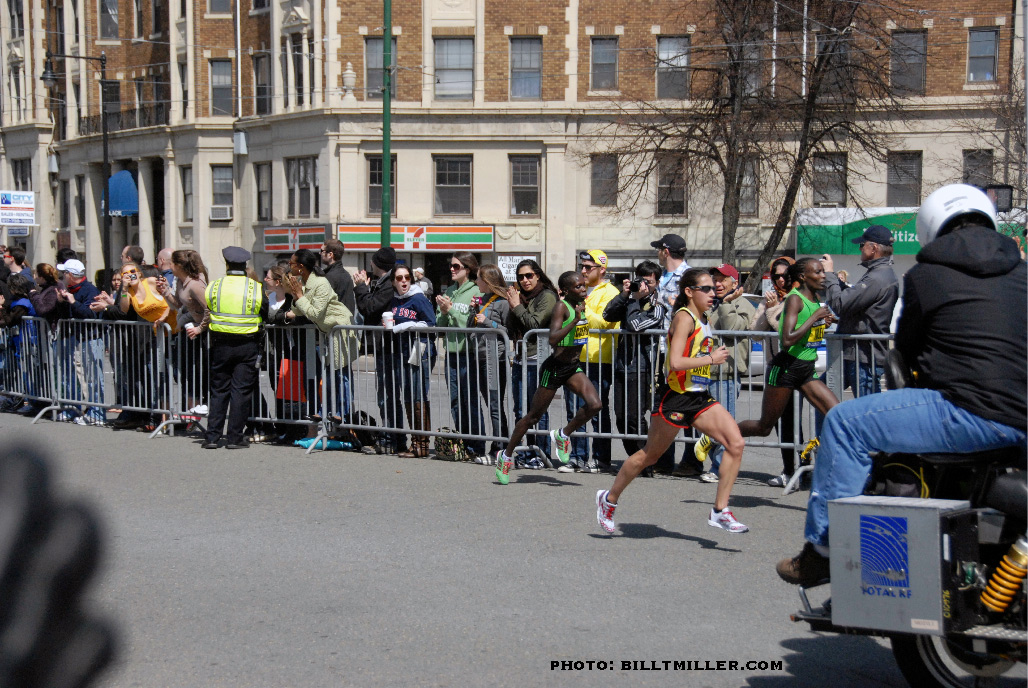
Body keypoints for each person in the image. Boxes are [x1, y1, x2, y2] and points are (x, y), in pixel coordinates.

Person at [777, 184, 1027, 586]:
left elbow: (907, 351)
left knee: (844, 422)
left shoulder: (927, 275)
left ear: (931, 227)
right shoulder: (1022, 271)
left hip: (970, 411)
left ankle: (823, 550)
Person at [595, 268, 749, 534]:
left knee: (736, 443)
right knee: (649, 455)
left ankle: (720, 510)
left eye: (713, 288)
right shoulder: (684, 318)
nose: (712, 293)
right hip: (675, 398)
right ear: (689, 292)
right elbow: (675, 362)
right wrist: (710, 359)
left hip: (699, 396)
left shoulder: (702, 318)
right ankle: (608, 500)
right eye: (706, 289)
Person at [494, 271, 603, 485]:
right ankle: (505, 456)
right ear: (565, 290)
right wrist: (574, 322)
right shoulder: (562, 307)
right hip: (554, 368)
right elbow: (553, 339)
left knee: (595, 404)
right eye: (578, 286)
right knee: (533, 416)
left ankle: (563, 434)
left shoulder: (580, 306)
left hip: (572, 367)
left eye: (584, 285)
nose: (583, 289)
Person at [736, 258, 839, 449]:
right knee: (764, 427)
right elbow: (787, 339)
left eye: (823, 271)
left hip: (806, 369)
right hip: (785, 369)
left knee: (837, 414)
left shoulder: (815, 299)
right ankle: (719, 435)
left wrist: (822, 323)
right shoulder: (794, 299)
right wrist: (815, 318)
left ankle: (819, 457)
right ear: (803, 276)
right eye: (817, 272)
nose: (823, 275)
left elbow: (807, 331)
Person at [192, 247, 268, 449]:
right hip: (247, 344)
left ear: (227, 264)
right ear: (244, 265)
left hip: (220, 344)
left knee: (218, 391)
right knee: (241, 392)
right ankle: (234, 438)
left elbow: (209, 307)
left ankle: (212, 437)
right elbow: (265, 310)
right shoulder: (255, 287)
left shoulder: (214, 286)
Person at [748, 257, 811, 486]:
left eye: (786, 275)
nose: (781, 280)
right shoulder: (773, 299)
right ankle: (789, 469)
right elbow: (755, 332)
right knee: (777, 422)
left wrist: (774, 308)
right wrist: (767, 307)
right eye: (776, 276)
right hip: (775, 367)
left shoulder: (798, 299)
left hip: (794, 367)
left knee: (793, 422)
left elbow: (786, 331)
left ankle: (803, 468)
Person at [820, 225, 900, 399]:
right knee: (821, 397)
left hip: (863, 357)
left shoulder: (877, 277)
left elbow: (840, 304)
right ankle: (829, 427)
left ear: (874, 248)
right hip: (855, 354)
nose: (860, 248)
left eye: (862, 244)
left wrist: (829, 274)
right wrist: (832, 277)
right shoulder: (878, 274)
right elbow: (850, 302)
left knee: (868, 413)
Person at [692, 263, 754, 483]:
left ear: (734, 283)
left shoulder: (743, 304)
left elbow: (732, 329)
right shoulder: (709, 303)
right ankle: (711, 465)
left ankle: (719, 469)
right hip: (705, 371)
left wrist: (727, 304)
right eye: (715, 279)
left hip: (727, 373)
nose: (717, 284)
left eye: (722, 280)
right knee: (709, 423)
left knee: (723, 424)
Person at [561, 249, 619, 473]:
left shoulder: (610, 292)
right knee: (573, 409)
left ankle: (601, 458)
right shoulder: (579, 290)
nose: (583, 271)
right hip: (574, 356)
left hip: (598, 359)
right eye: (581, 266)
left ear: (601, 269)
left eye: (588, 267)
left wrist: (582, 311)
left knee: (596, 409)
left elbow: (605, 323)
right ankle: (576, 456)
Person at [284, 248, 357, 425]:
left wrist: (300, 296)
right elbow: (299, 309)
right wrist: (295, 296)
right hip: (328, 331)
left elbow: (315, 313)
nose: (289, 267)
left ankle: (343, 412)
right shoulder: (305, 282)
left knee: (341, 373)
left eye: (291, 264)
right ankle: (327, 410)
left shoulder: (321, 283)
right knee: (330, 375)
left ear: (301, 267)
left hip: (341, 328)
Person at [601, 260, 666, 459]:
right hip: (622, 365)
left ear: (657, 284)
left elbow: (635, 325)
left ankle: (644, 460)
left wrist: (635, 300)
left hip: (642, 368)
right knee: (621, 418)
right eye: (641, 280)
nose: (644, 286)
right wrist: (624, 294)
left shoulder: (657, 306)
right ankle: (636, 459)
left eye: (649, 282)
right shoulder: (630, 299)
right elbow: (607, 314)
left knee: (634, 418)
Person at [505, 259, 558, 469]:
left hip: (538, 360)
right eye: (521, 277)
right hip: (520, 358)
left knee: (537, 411)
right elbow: (511, 326)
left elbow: (534, 324)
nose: (525, 280)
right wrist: (513, 306)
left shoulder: (547, 296)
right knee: (521, 411)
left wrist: (517, 305)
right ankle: (527, 452)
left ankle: (541, 454)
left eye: (529, 276)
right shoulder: (521, 297)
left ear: (538, 275)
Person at [435, 251, 486, 458]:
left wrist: (452, 310)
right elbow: (440, 325)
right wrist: (444, 312)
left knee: (470, 401)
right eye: (451, 266)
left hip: (469, 353)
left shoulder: (476, 292)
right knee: (455, 401)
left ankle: (477, 446)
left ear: (468, 269)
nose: (452, 269)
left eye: (457, 266)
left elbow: (470, 322)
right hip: (451, 354)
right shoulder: (450, 290)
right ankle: (463, 443)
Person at [652, 233, 694, 474]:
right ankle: (663, 459)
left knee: (690, 403)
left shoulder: (688, 277)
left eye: (659, 249)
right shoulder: (660, 277)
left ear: (666, 251)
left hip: (683, 351)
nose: (657, 253)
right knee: (664, 405)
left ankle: (692, 460)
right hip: (660, 350)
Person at [385, 264, 436, 457]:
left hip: (420, 350)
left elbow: (431, 323)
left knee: (418, 395)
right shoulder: (395, 301)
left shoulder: (418, 298)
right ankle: (415, 443)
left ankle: (421, 444)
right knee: (408, 395)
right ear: (393, 282)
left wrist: (407, 325)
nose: (404, 281)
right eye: (399, 278)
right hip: (403, 351)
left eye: (407, 277)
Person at [354, 247, 401, 453]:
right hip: (382, 344)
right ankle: (390, 434)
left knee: (388, 394)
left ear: (375, 263)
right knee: (384, 393)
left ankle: (393, 437)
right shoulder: (382, 282)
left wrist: (360, 288)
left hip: (389, 345)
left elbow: (370, 308)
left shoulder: (388, 285)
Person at [158, 250, 209, 415]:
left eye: (172, 263)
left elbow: (210, 309)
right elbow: (179, 304)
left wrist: (200, 328)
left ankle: (203, 406)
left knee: (199, 371)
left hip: (204, 331)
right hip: (189, 328)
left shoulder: (195, 284)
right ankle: (193, 409)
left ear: (179, 266)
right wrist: (166, 292)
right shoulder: (181, 282)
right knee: (186, 372)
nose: (169, 265)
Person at [56, 258, 105, 425]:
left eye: (64, 273)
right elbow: (70, 313)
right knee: (75, 376)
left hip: (91, 338)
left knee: (94, 378)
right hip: (77, 337)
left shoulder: (89, 289)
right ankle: (74, 408)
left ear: (70, 275)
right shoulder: (71, 289)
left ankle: (97, 413)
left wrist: (72, 301)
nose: (62, 276)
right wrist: (63, 301)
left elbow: (89, 314)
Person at [471, 264, 511, 456]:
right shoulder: (483, 300)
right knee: (489, 403)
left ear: (487, 281)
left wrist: (487, 321)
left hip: (496, 357)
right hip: (480, 355)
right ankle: (499, 442)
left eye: (478, 278)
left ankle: (500, 446)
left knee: (495, 404)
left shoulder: (503, 302)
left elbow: (507, 331)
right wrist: (474, 312)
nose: (476, 282)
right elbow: (472, 325)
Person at [320, 238, 357, 316]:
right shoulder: (345, 274)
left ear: (330, 255)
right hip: (345, 323)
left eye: (322, 251)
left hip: (335, 324)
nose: (320, 253)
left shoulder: (330, 276)